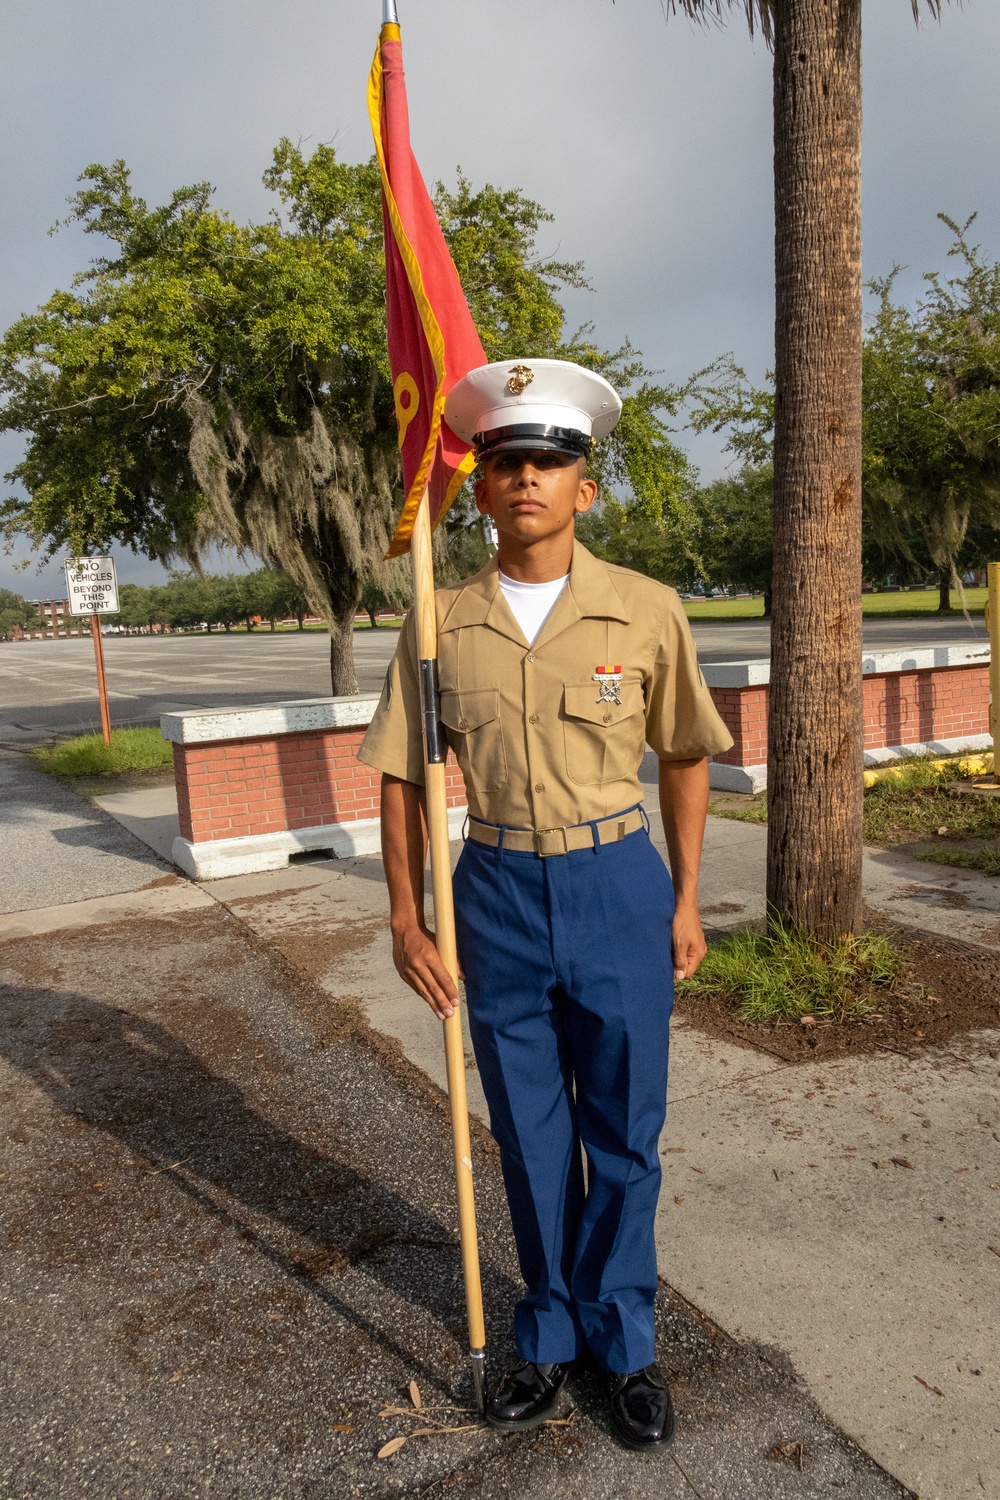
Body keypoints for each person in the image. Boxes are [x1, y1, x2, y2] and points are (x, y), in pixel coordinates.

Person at [359, 358, 733, 1452]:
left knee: (624, 1129)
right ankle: (549, 1334)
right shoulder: (440, 623)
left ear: (586, 487)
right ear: (477, 492)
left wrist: (685, 899)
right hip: (498, 890)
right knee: (528, 1132)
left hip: (617, 881)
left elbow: (685, 756)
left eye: (550, 462)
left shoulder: (646, 610)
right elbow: (401, 775)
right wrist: (403, 917)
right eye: (505, 463)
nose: (527, 478)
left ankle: (623, 1347)